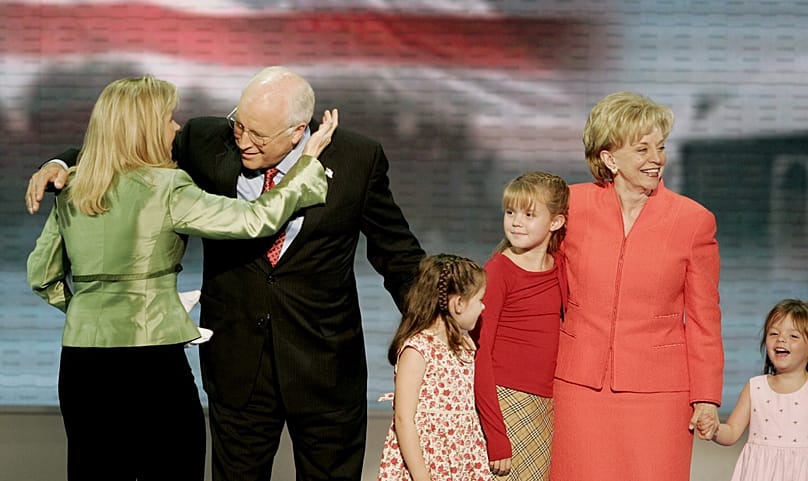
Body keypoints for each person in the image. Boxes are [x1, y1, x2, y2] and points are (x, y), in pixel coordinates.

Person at [26, 66, 425, 481]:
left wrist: (431, 323)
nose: (243, 141)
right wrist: (58, 163)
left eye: (259, 135)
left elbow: (397, 252)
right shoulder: (205, 140)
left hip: (324, 369)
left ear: (297, 131)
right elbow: (123, 142)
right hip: (237, 370)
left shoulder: (357, 157)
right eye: (239, 125)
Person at [549, 91, 725, 481]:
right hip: (578, 386)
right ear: (609, 159)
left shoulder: (693, 220)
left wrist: (707, 398)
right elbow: (537, 284)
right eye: (642, 149)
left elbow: (704, 319)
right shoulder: (569, 206)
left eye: (660, 147)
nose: (656, 158)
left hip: (660, 395)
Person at [470, 171, 568, 480]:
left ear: (556, 222)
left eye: (529, 214)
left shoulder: (561, 267)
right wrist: (496, 435)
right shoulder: (499, 271)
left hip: (545, 404)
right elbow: (480, 353)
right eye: (510, 212)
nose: (516, 222)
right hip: (504, 402)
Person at [377, 253, 490, 481]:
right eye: (479, 300)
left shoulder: (464, 346)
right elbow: (403, 419)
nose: (483, 306)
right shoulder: (417, 351)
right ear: (459, 303)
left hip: (462, 460)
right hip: (427, 464)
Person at [709, 299, 808, 481]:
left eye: (793, 336)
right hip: (759, 472)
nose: (781, 339)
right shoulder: (756, 387)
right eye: (774, 333)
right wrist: (714, 429)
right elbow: (731, 432)